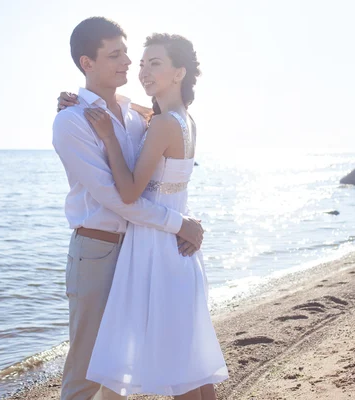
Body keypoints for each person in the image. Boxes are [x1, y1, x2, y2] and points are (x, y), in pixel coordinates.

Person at [52, 18, 207, 400]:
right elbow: (117, 196)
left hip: (142, 251)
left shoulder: (136, 116)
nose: (128, 64)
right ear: (87, 63)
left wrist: (178, 224)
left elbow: (157, 174)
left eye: (129, 54)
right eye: (116, 55)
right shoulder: (71, 122)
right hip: (100, 251)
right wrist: (179, 224)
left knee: (121, 370)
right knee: (88, 372)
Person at [84, 32, 228, 399]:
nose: (144, 71)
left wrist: (109, 138)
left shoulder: (164, 124)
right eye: (143, 63)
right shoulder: (184, 120)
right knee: (189, 362)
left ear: (179, 72)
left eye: (156, 63)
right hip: (177, 247)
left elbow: (130, 192)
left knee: (175, 365)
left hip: (155, 250)